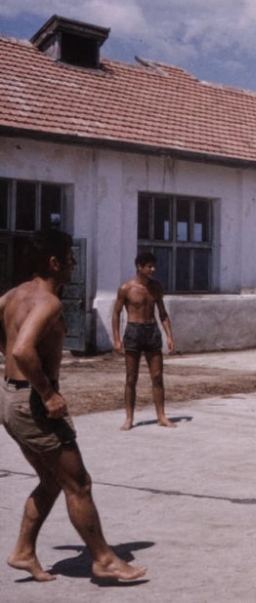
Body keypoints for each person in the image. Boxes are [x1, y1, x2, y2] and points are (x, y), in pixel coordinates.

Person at [0, 229, 147, 582]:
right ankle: (104, 559)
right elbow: (21, 349)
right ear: (54, 262)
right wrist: (48, 394)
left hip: (9, 397)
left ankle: (23, 551)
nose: (73, 264)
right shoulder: (48, 302)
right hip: (32, 403)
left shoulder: (11, 296)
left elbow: (8, 344)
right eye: (70, 258)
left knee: (52, 481)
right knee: (78, 484)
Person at [111, 251, 176, 431]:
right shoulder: (126, 288)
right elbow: (116, 314)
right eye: (149, 266)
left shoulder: (156, 288)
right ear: (139, 267)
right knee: (131, 378)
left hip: (152, 332)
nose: (153, 270)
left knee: (157, 377)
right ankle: (129, 418)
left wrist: (169, 336)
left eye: (154, 266)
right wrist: (117, 339)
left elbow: (162, 313)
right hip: (133, 331)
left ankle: (161, 416)